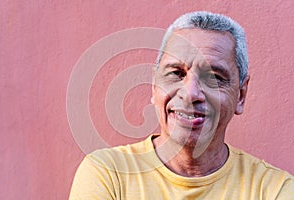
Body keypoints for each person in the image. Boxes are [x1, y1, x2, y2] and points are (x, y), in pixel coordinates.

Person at [69, 11, 294, 199]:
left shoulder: (274, 190)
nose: (191, 93)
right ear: (154, 86)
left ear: (241, 96)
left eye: (214, 78)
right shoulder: (108, 174)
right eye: (176, 73)